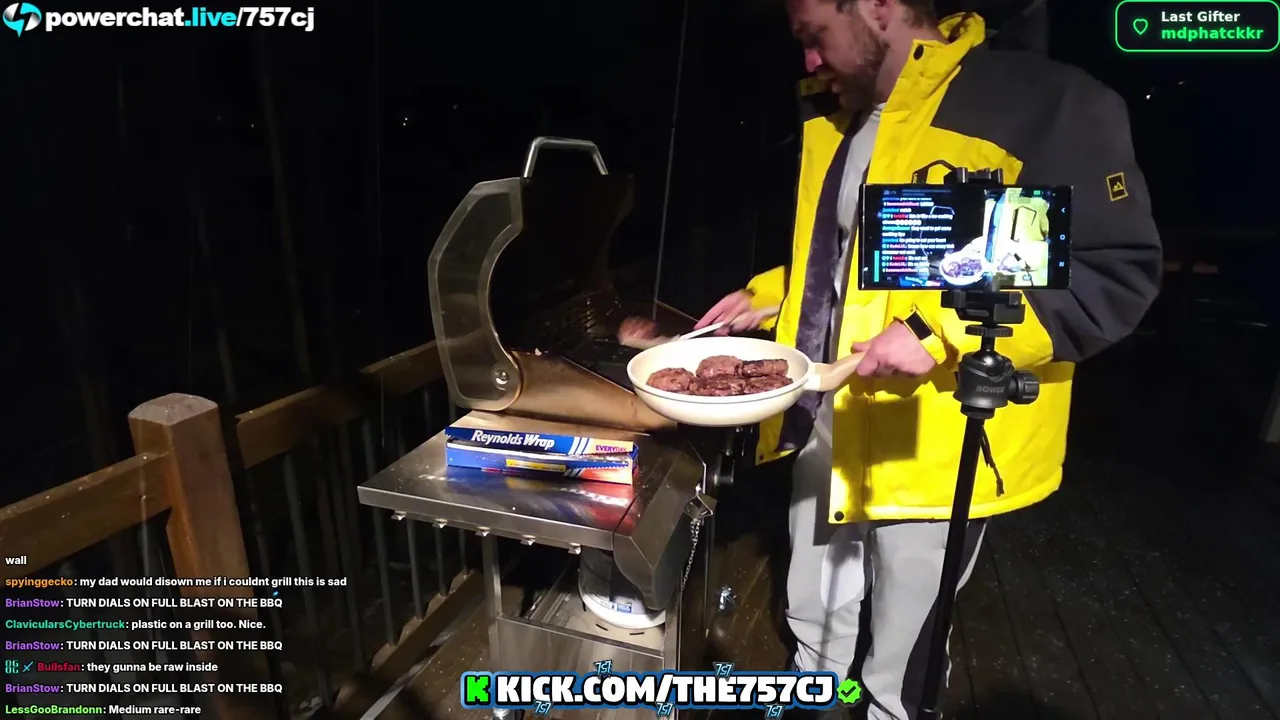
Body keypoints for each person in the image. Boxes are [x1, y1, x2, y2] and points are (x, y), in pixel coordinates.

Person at [694, 1, 1161, 718]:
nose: (808, 61)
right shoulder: (837, 114)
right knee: (814, 605)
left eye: (815, 36)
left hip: (938, 447)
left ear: (879, 7)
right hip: (831, 409)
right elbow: (852, 256)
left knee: (903, 656)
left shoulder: (1042, 104)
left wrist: (939, 331)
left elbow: (1107, 273)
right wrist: (773, 292)